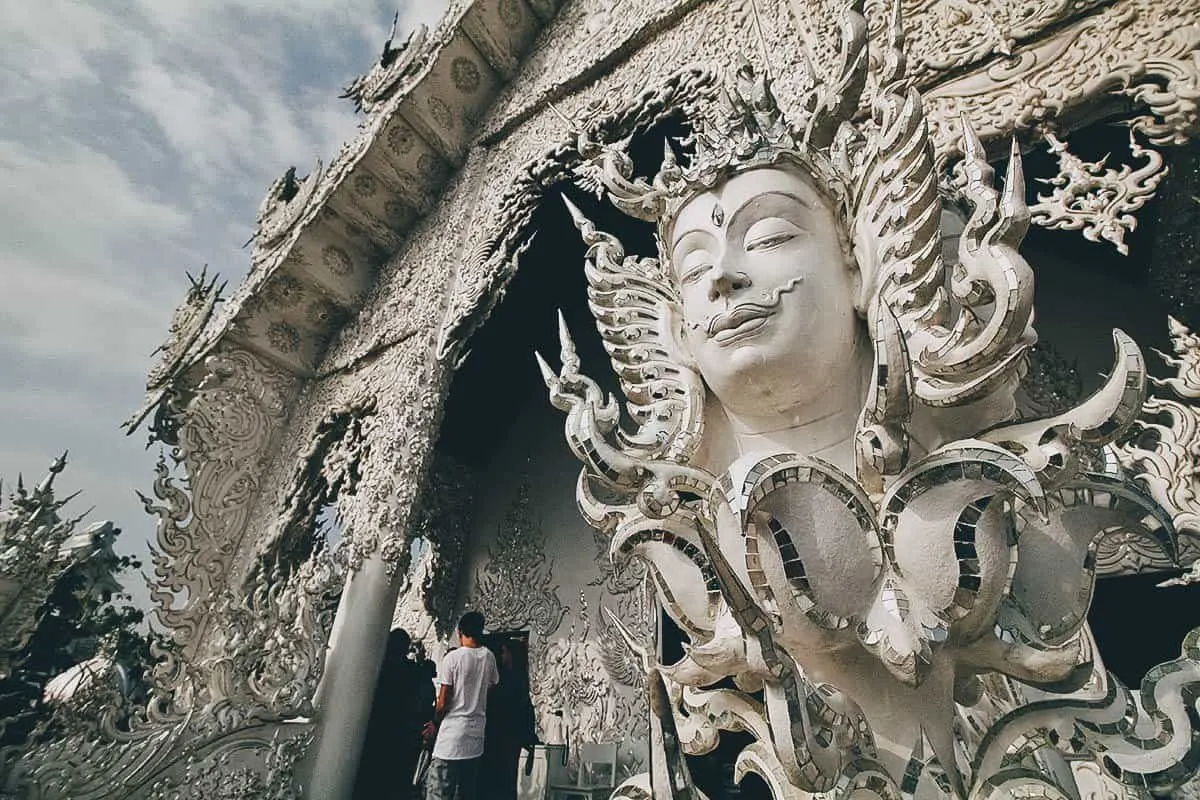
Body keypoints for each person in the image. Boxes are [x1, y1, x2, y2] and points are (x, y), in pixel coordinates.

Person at [423, 611, 498, 800]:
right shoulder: (489, 657)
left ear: (460, 632)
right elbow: (491, 689)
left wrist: (434, 722)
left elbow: (443, 701)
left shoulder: (453, 659)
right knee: (466, 793)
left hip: (451, 736)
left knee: (439, 792)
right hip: (475, 737)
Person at [353, 628, 433, 800]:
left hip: (373, 730)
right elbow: (424, 702)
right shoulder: (413, 672)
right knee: (393, 782)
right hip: (401, 733)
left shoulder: (374, 668)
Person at [481, 639, 537, 800]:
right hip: (513, 738)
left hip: (499, 736)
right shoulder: (521, 680)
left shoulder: (505, 680)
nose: (502, 656)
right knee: (508, 779)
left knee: (495, 779)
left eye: (504, 652)